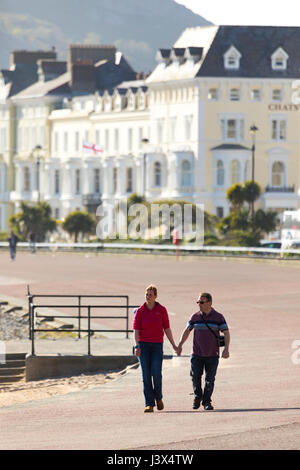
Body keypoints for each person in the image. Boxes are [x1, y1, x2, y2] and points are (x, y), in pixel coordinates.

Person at [177, 292, 230, 411]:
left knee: (210, 379)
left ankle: (207, 402)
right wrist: (180, 344)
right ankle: (197, 397)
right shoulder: (195, 317)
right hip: (196, 354)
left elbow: (226, 333)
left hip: (212, 354)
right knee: (195, 376)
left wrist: (226, 349)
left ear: (210, 303)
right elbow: (187, 331)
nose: (199, 304)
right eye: (198, 302)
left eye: (201, 302)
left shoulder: (218, 317)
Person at [133, 285, 177, 413]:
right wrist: (137, 345)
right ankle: (149, 403)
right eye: (146, 294)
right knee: (146, 376)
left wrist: (174, 345)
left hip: (157, 346)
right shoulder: (140, 311)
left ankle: (159, 398)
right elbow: (136, 330)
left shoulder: (162, 310)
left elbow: (167, 328)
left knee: (156, 373)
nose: (148, 296)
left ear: (156, 296)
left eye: (150, 294)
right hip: (143, 346)